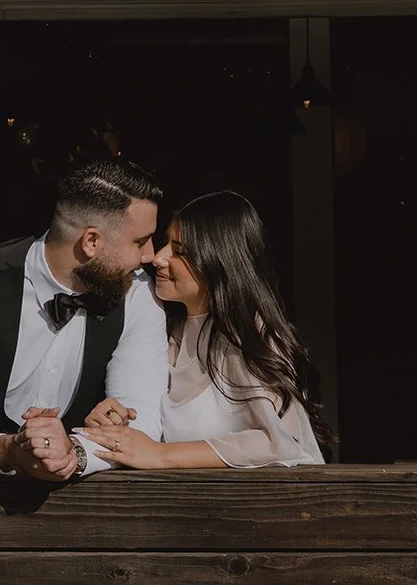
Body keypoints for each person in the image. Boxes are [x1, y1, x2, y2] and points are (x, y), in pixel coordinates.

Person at [0, 157, 168, 479]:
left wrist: (75, 453)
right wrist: (9, 450)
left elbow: (143, 421)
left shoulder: (138, 294)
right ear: (91, 241)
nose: (150, 256)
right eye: (140, 241)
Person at [80, 190, 329, 468]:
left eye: (181, 251)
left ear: (220, 261)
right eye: (166, 243)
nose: (158, 258)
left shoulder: (247, 335)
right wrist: (121, 422)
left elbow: (279, 442)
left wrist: (161, 455)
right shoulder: (169, 333)